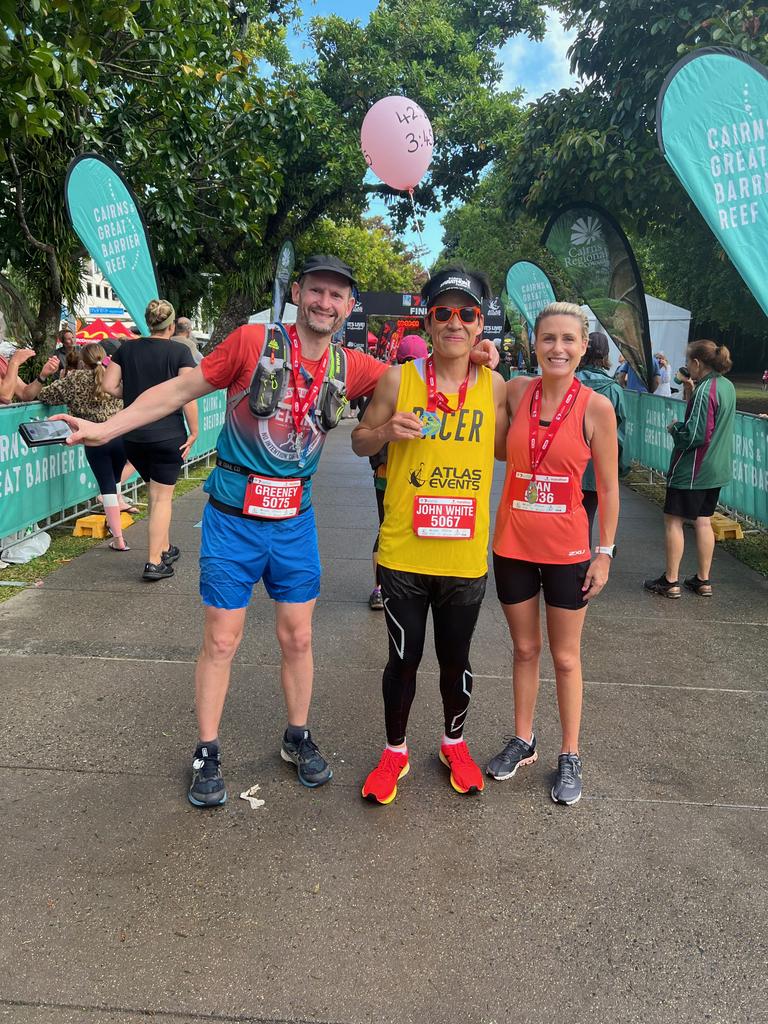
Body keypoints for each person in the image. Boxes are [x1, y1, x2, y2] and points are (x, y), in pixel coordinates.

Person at [53, 255, 499, 807]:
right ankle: (207, 751)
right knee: (221, 639)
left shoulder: (351, 365)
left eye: (337, 296)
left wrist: (475, 352)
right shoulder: (250, 342)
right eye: (317, 291)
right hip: (233, 518)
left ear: (349, 307)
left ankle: (297, 737)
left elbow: (429, 369)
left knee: (299, 637)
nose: (325, 303)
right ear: (299, 293)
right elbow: (178, 391)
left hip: (294, 522)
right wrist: (105, 429)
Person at [352, 267, 508, 804]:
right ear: (429, 319)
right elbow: (357, 440)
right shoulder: (400, 379)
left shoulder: (495, 385)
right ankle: (395, 751)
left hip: (464, 557)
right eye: (444, 313)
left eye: (467, 314)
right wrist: (383, 432)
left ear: (480, 322)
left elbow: (519, 439)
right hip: (404, 552)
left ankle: (453, 743)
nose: (455, 323)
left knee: (455, 657)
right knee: (404, 657)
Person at [487, 302, 619, 807]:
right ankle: (524, 739)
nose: (558, 349)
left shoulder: (595, 408)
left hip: (567, 550)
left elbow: (607, 489)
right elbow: (481, 385)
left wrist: (603, 553)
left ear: (584, 346)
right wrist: (482, 354)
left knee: (565, 657)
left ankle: (570, 752)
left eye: (568, 339)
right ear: (534, 344)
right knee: (524, 650)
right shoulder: (518, 391)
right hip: (513, 545)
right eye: (548, 339)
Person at [104, 299, 199, 580]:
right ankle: (154, 562)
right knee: (161, 499)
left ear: (148, 323)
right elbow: (188, 394)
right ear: (171, 326)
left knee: (155, 492)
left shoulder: (126, 348)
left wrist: (132, 395)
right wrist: (194, 431)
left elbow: (109, 385)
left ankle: (165, 547)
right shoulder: (179, 352)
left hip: (134, 435)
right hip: (168, 434)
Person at [644, 340, 736, 599]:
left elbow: (696, 434)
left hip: (693, 470)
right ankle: (702, 579)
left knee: (673, 520)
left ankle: (670, 581)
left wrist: (675, 428)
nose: (686, 367)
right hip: (715, 469)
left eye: (688, 362)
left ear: (697, 363)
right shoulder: (726, 386)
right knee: (703, 521)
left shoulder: (706, 391)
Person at [22, 344, 130, 549]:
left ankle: (119, 539)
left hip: (92, 437)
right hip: (119, 434)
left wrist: (44, 377)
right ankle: (116, 519)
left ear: (82, 361)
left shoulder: (73, 380)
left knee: (106, 485)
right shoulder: (115, 377)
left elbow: (43, 396)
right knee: (114, 481)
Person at [365, 333, 429, 612]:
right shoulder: (424, 386)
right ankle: (394, 585)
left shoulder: (388, 381)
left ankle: (383, 588)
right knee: (407, 527)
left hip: (387, 473)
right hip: (402, 474)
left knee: (388, 529)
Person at [576, 332, 628, 545]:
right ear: (606, 354)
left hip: (566, 464)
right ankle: (580, 567)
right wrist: (621, 467)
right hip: (597, 467)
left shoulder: (568, 382)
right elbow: (620, 433)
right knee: (587, 517)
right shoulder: (614, 389)